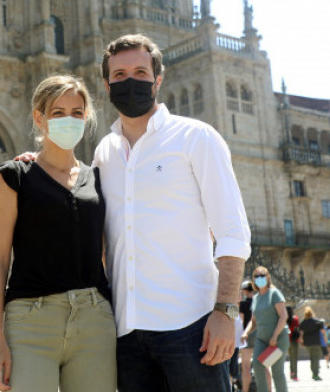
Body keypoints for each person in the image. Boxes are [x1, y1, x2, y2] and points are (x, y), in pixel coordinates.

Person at [95, 34, 251, 392]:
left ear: (157, 80)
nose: (129, 81)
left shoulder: (196, 137)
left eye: (139, 71)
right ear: (106, 85)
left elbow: (232, 232)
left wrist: (226, 312)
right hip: (127, 334)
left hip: (191, 328)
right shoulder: (104, 152)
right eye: (118, 75)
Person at [0, 75, 116, 392]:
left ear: (86, 117)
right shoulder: (15, 175)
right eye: (58, 113)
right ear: (39, 117)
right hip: (29, 321)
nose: (68, 120)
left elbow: (103, 253)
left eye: (76, 112)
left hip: (93, 318)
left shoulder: (98, 179)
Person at [241, 266, 289, 392]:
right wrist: (245, 333)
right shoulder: (256, 298)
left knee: (277, 371)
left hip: (278, 339)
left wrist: (274, 336)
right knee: (257, 365)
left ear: (268, 277)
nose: (259, 278)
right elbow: (253, 321)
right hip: (262, 339)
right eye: (256, 276)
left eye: (262, 275)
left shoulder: (274, 293)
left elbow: (283, 316)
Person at [298, 307, 325, 381]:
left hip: (307, 343)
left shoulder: (303, 322)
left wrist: (301, 341)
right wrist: (324, 338)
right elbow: (323, 331)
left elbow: (301, 333)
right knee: (316, 358)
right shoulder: (317, 321)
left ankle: (313, 372)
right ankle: (315, 374)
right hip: (316, 342)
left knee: (312, 357)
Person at [239, 281, 256, 391]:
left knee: (245, 366)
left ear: (244, 290)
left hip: (247, 335)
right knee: (263, 365)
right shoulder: (258, 301)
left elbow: (240, 320)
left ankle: (245, 390)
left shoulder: (243, 303)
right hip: (260, 335)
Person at [287, 306, 300, 382]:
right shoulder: (295, 319)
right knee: (294, 358)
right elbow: (297, 328)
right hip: (294, 340)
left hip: (286, 340)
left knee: (290, 357)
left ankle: (291, 373)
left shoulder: (284, 319)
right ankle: (294, 375)